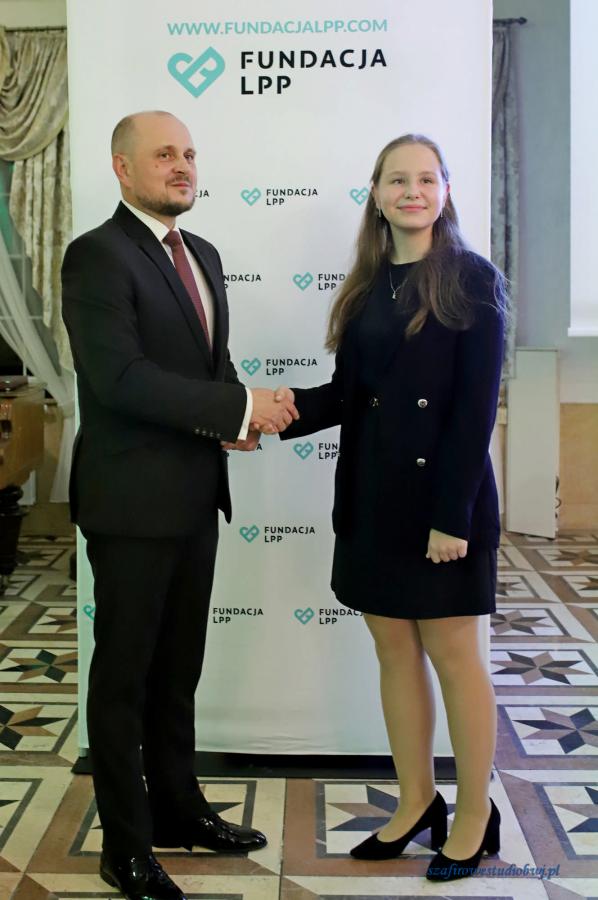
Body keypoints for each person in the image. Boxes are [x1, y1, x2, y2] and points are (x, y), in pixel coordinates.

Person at [256, 134, 507, 882]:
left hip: (442, 505)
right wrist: (271, 413)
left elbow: (474, 411)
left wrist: (451, 517)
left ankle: (474, 814)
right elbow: (349, 396)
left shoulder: (472, 279)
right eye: (397, 180)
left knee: (456, 659)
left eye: (426, 179)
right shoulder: (368, 286)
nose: (412, 192)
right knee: (393, 652)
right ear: (376, 193)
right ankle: (415, 801)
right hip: (373, 500)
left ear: (445, 191)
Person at [62, 110, 298, 900]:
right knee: (123, 682)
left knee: (177, 674)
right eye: (164, 154)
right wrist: (238, 407)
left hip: (197, 498)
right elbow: (119, 379)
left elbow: (207, 365)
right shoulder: (96, 255)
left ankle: (180, 810)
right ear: (122, 167)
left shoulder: (204, 253)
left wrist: (233, 420)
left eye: (189, 154)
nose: (182, 166)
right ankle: (125, 847)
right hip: (130, 506)